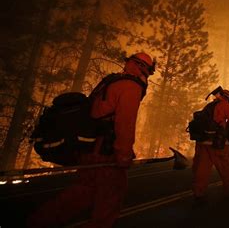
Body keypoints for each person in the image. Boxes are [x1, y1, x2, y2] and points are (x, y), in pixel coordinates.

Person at [28, 52, 155, 228]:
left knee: (81, 194)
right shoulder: (130, 86)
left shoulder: (113, 81)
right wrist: (124, 154)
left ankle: (39, 222)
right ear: (143, 68)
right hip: (106, 154)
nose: (147, 76)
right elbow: (124, 123)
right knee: (110, 199)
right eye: (148, 71)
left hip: (90, 149)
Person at [192, 89, 229, 201]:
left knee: (202, 169)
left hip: (204, 143)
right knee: (227, 167)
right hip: (218, 143)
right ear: (227, 98)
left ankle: (198, 194)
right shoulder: (225, 105)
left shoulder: (209, 106)